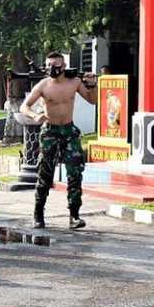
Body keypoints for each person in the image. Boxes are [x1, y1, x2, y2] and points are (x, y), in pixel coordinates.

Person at [20, 51, 97, 230]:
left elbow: (92, 101)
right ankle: (38, 213)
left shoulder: (74, 82)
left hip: (69, 130)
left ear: (63, 67)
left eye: (55, 65)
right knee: (45, 173)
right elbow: (25, 105)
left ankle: (74, 215)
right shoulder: (43, 85)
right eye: (48, 65)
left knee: (75, 173)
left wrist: (92, 85)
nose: (51, 68)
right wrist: (35, 115)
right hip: (50, 131)